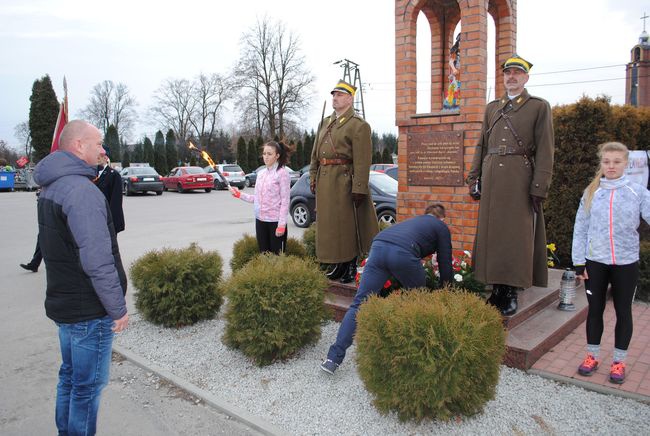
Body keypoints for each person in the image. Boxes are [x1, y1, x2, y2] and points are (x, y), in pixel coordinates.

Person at [33, 119, 129, 435]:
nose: (103, 150)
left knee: (71, 378)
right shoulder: (80, 192)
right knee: (87, 387)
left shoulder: (53, 186)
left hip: (66, 305)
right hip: (89, 310)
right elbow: (97, 260)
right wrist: (117, 308)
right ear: (78, 146)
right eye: (98, 143)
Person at [466, 54, 554, 316]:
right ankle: (496, 289)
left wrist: (539, 187)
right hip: (493, 176)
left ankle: (511, 290)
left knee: (516, 236)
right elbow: (481, 145)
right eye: (507, 73)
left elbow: (546, 150)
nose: (511, 77)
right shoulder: (493, 107)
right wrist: (474, 177)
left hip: (519, 178)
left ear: (526, 77)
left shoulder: (538, 107)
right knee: (493, 236)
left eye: (517, 73)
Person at [320, 203, 453, 375]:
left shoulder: (413, 222)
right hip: (403, 253)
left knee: (359, 304)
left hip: (379, 246)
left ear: (425, 214)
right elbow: (445, 263)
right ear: (442, 219)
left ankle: (333, 359)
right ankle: (418, 359)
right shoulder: (441, 226)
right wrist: (447, 293)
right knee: (421, 305)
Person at [572, 142, 650, 384]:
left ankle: (619, 361)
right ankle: (591, 356)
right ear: (601, 163)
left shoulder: (638, 192)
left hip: (626, 263)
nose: (611, 166)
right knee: (595, 310)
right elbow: (580, 229)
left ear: (626, 163)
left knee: (623, 312)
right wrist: (578, 262)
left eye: (617, 162)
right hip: (596, 262)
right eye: (607, 162)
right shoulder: (591, 192)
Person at [309, 79, 379, 283]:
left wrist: (359, 188)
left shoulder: (358, 126)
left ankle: (350, 264)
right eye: (333, 94)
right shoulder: (324, 123)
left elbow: (363, 161)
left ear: (350, 98)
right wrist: (313, 176)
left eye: (339, 95)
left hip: (344, 182)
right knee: (330, 226)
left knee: (346, 225)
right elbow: (315, 155)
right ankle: (337, 264)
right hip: (325, 181)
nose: (334, 98)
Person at [229, 140, 291, 254]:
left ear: (277, 156)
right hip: (260, 221)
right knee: (264, 255)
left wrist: (281, 224)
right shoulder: (261, 174)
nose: (266, 157)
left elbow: (285, 201)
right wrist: (238, 194)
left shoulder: (282, 174)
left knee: (277, 258)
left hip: (275, 222)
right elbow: (256, 199)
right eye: (264, 154)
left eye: (269, 154)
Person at [95, 150, 125, 233]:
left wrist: (111, 222)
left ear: (106, 157)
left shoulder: (113, 175)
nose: (97, 157)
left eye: (100, 156)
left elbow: (116, 201)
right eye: (96, 155)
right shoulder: (92, 174)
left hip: (108, 219)